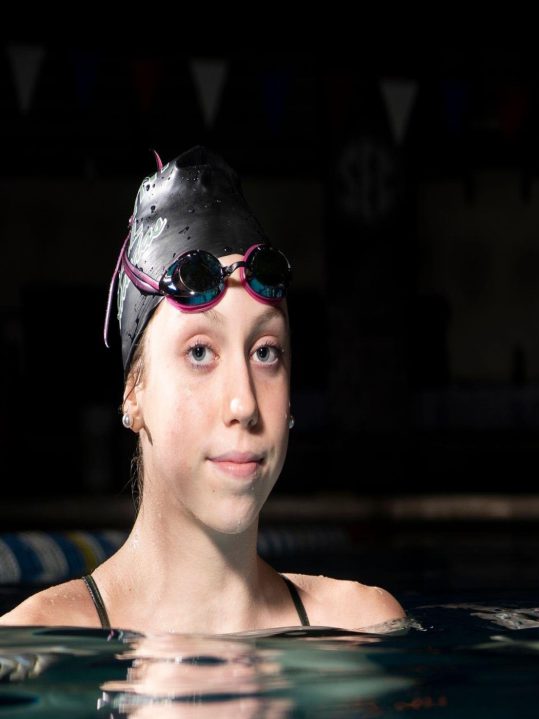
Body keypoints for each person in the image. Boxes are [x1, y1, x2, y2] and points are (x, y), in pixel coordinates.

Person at [0, 147, 404, 632]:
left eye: (265, 352)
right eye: (199, 352)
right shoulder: (42, 646)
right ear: (135, 391)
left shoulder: (361, 631)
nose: (245, 404)